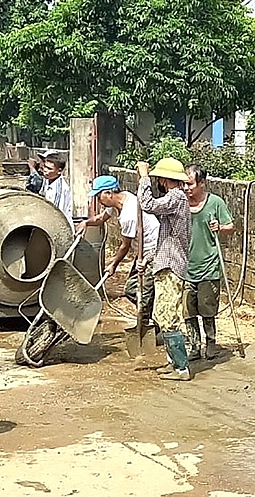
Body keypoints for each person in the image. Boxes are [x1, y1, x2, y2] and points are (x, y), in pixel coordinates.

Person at [136, 158, 192, 381]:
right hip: (165, 262)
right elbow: (166, 240)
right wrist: (149, 258)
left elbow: (147, 204)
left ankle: (181, 367)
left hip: (171, 267)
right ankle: (172, 362)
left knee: (168, 317)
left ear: (165, 179)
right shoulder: (175, 200)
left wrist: (143, 179)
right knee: (162, 314)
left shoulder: (176, 197)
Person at [77, 175, 160, 320]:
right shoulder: (121, 200)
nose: (97, 200)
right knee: (131, 289)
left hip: (152, 252)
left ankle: (150, 323)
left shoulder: (129, 214)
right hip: (141, 251)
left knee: (144, 297)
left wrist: (113, 265)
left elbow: (124, 246)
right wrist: (86, 223)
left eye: (98, 195)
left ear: (109, 193)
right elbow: (101, 218)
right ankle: (151, 310)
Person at [183, 164, 235, 360]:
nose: (187, 189)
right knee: (188, 310)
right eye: (184, 185)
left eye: (190, 184)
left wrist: (220, 226)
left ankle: (210, 343)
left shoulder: (215, 203)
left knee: (207, 309)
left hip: (208, 265)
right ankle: (194, 346)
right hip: (186, 266)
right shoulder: (181, 204)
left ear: (202, 183)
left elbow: (231, 227)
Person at [40, 152, 73, 226]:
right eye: (45, 166)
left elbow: (57, 213)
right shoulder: (47, 179)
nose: (45, 170)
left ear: (59, 171)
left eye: (49, 168)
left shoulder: (59, 189)